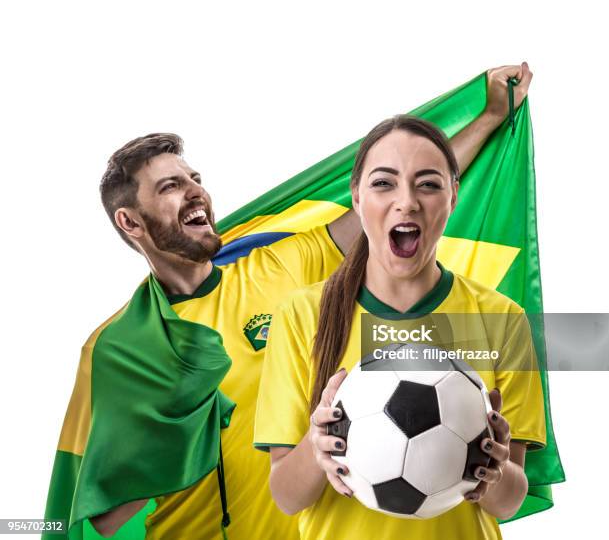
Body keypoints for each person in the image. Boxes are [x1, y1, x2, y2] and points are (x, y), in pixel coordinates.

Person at [46, 64, 532, 540]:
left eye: (195, 178)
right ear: (131, 223)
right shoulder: (115, 348)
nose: (197, 192)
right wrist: (179, 440)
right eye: (171, 186)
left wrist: (489, 118)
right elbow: (99, 514)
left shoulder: (281, 268)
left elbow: (393, 207)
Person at [254, 112, 545, 540]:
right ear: (356, 197)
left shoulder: (501, 318)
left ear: (453, 197)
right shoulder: (301, 313)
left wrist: (495, 471)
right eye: (383, 183)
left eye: (428, 184)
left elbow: (509, 500)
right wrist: (314, 449)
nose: (406, 201)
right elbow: (286, 496)